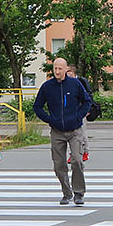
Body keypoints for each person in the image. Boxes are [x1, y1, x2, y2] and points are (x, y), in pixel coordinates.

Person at [33, 58, 91, 206]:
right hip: (57, 130)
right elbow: (37, 106)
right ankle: (66, 193)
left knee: (77, 160)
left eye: (60, 69)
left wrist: (78, 116)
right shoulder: (47, 86)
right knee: (59, 165)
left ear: (66, 69)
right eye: (55, 68)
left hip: (75, 129)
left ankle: (79, 193)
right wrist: (49, 119)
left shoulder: (75, 84)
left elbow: (87, 101)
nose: (57, 71)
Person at [66, 65, 91, 162]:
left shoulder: (81, 81)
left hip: (81, 110)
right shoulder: (65, 83)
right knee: (71, 134)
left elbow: (89, 95)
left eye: (68, 71)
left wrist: (88, 109)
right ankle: (72, 154)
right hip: (70, 111)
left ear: (72, 72)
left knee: (82, 133)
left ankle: (85, 152)